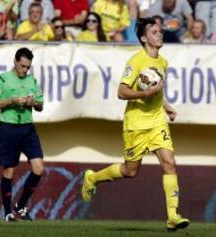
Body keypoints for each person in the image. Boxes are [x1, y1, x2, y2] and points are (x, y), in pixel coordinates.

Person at [81, 17, 190, 231]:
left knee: (170, 163)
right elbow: (122, 91)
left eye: (160, 31)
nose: (159, 35)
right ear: (143, 38)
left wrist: (166, 105)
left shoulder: (163, 62)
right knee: (130, 171)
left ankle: (172, 216)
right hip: (136, 124)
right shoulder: (136, 61)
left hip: (157, 121)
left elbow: (156, 92)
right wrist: (143, 93)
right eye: (154, 32)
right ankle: (92, 178)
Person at [0, 47, 44, 222]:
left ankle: (20, 205)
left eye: (27, 67)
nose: (25, 70)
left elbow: (41, 105)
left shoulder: (32, 81)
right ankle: (7, 212)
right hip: (8, 127)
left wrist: (33, 102)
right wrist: (11, 101)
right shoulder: (2, 79)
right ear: (15, 61)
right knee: (9, 171)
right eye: (22, 66)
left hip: (28, 128)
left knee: (39, 168)